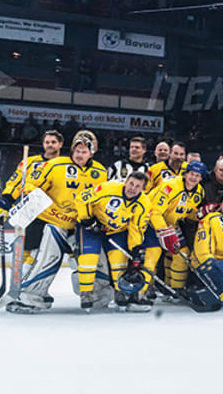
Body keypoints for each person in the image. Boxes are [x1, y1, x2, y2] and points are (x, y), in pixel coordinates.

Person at [12, 130, 107, 313]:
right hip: (54, 221)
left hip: (81, 225)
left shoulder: (101, 172)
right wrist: (29, 193)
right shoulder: (55, 165)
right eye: (77, 151)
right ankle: (31, 295)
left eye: (84, 151)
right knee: (47, 258)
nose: (79, 155)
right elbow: (31, 183)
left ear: (92, 152)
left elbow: (102, 199)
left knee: (92, 259)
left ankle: (97, 295)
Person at [74, 170, 153, 312]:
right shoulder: (108, 188)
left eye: (137, 186)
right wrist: (88, 220)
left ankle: (120, 291)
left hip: (116, 231)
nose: (132, 188)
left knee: (119, 261)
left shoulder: (144, 203)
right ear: (125, 181)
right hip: (92, 227)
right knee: (88, 259)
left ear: (143, 189)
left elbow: (136, 227)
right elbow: (81, 198)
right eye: (131, 184)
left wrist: (136, 248)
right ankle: (86, 293)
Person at [0, 128, 64, 274]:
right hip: (33, 209)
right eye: (47, 142)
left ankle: (35, 283)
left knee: (50, 251)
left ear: (60, 144)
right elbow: (15, 183)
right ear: (43, 144)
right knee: (28, 248)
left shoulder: (65, 164)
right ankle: (20, 279)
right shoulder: (30, 162)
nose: (50, 145)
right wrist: (6, 202)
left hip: (57, 212)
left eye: (53, 142)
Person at [143, 159, 208, 298]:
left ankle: (175, 288)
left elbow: (186, 212)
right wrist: (164, 231)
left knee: (182, 252)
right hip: (149, 222)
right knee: (152, 255)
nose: (193, 178)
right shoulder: (170, 186)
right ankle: (145, 288)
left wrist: (200, 214)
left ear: (201, 178)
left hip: (170, 225)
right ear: (186, 174)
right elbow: (154, 211)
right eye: (192, 174)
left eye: (197, 175)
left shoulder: (199, 193)